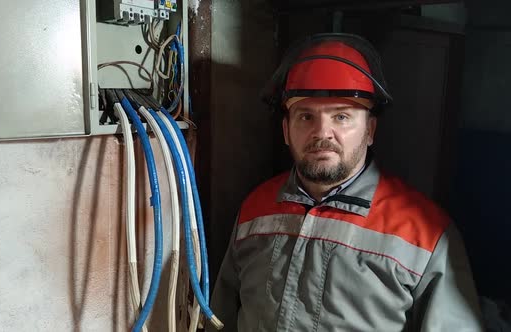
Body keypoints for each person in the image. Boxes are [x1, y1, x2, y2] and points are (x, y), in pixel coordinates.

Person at [207, 33, 483, 331]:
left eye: (341, 117)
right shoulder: (255, 208)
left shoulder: (424, 232)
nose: (322, 133)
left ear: (370, 130)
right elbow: (220, 318)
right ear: (286, 130)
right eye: (306, 117)